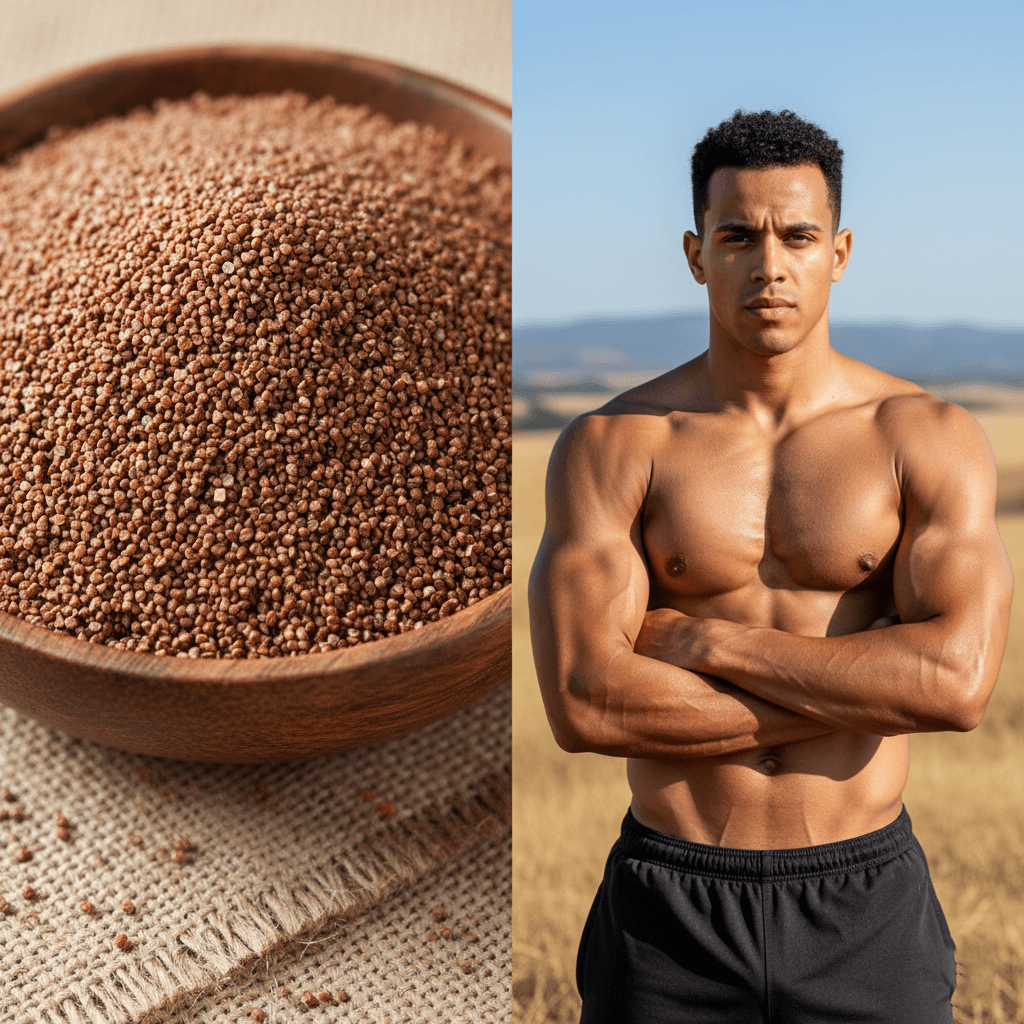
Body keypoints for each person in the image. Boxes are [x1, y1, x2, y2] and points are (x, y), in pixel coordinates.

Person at [528, 109, 1013, 1023]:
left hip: (865, 903)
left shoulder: (926, 437)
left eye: (798, 235)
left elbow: (954, 686)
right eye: (737, 237)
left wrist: (709, 643)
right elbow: (586, 703)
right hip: (670, 908)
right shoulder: (614, 444)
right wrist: (872, 684)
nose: (769, 265)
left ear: (840, 252)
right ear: (695, 253)